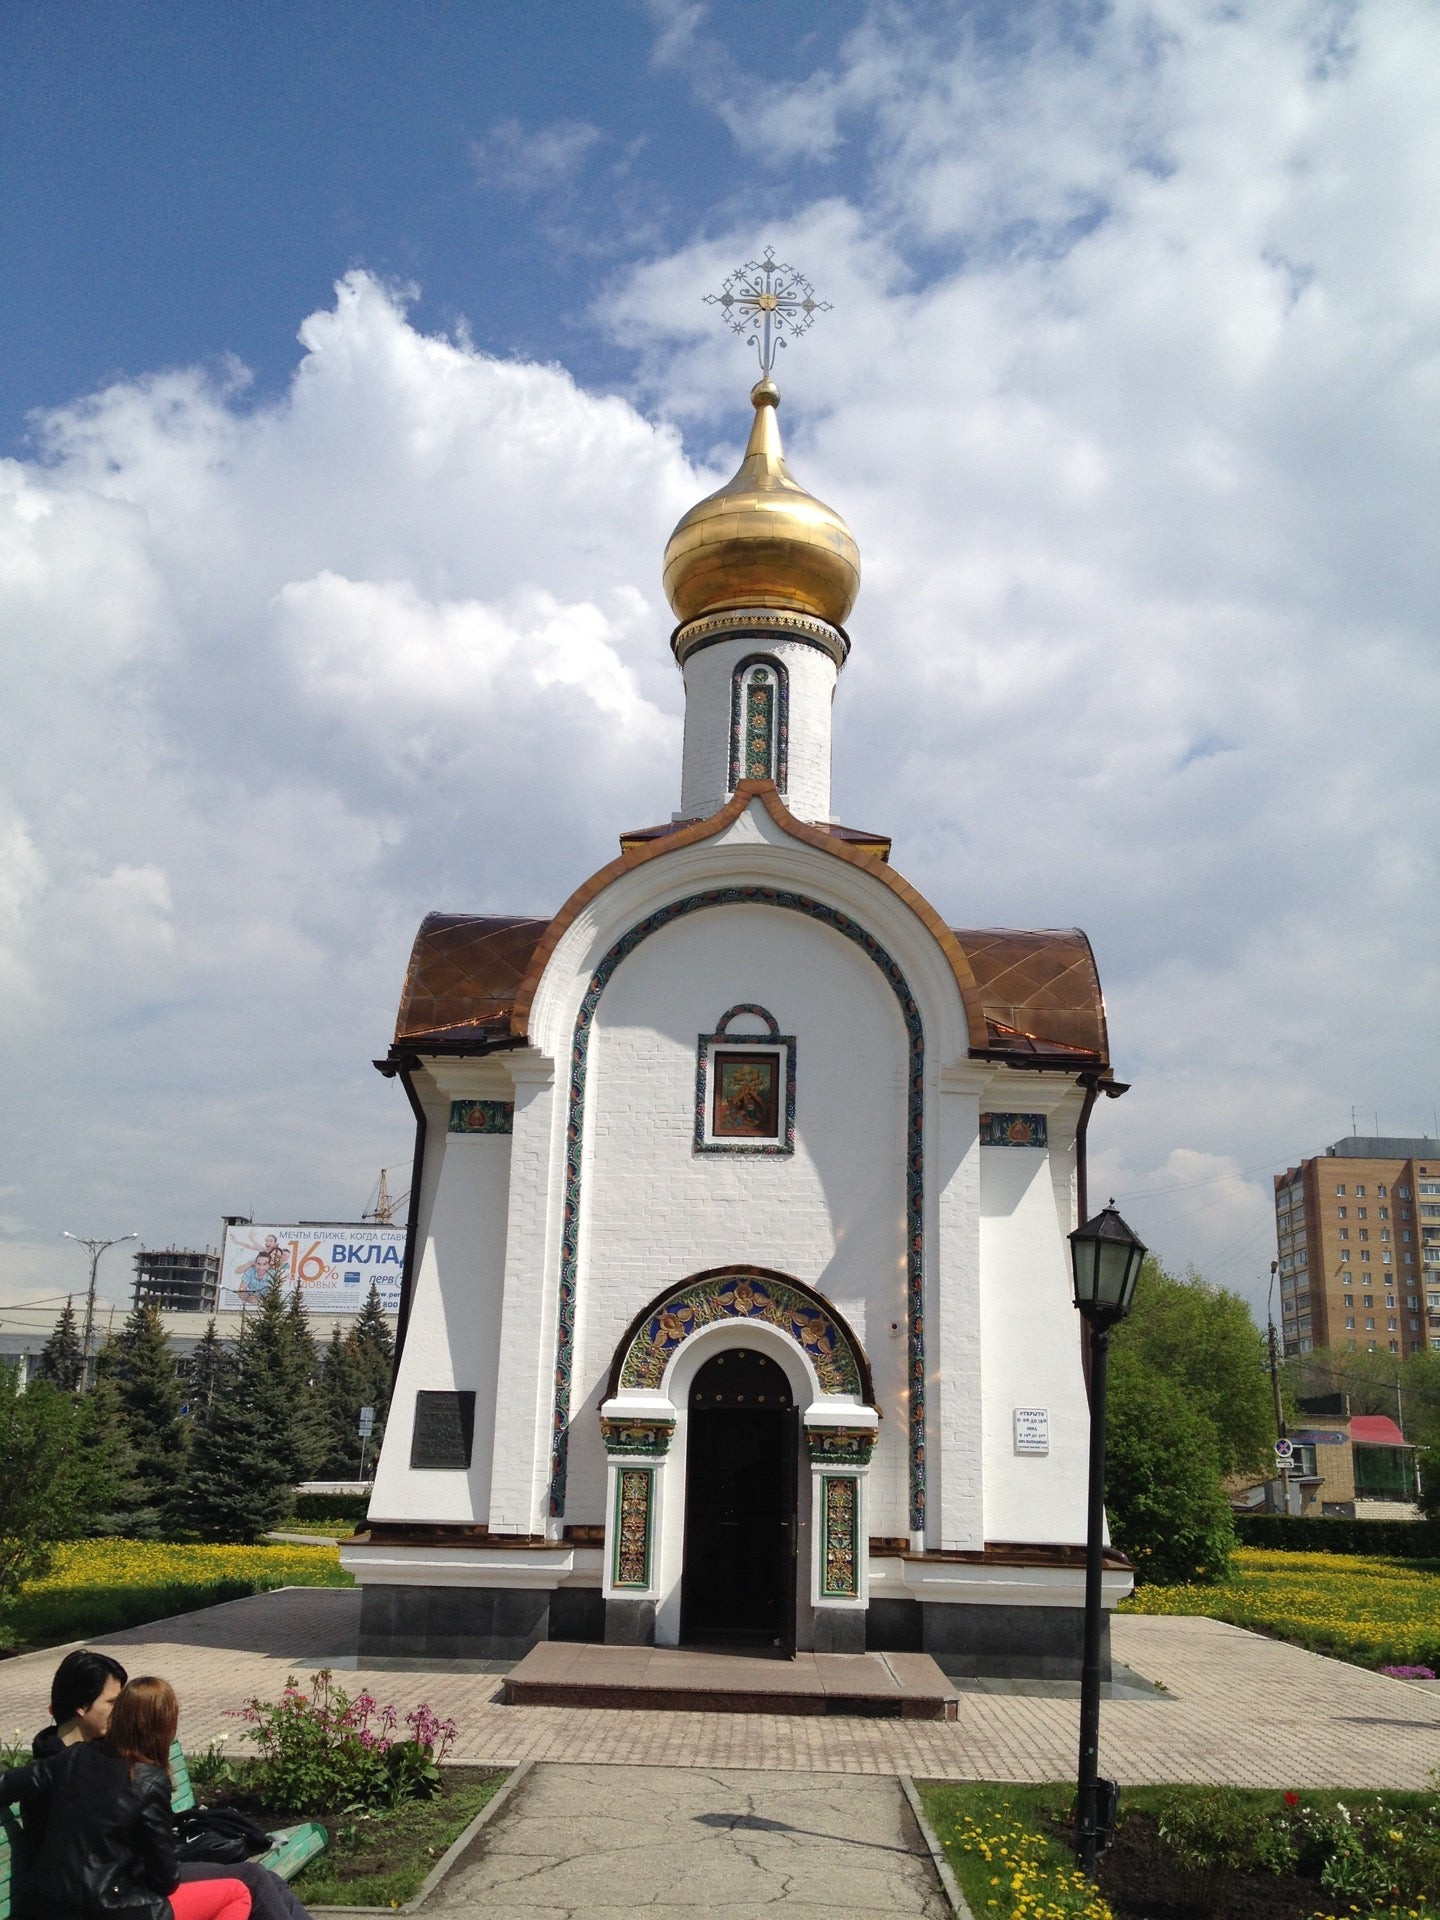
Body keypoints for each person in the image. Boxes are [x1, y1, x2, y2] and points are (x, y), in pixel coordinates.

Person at [17, 1658, 311, 1920]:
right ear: (82, 1707)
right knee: (250, 1883)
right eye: (113, 1703)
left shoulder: (86, 1758)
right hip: (116, 1892)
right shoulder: (67, 1764)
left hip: (122, 1880)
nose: (121, 1712)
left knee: (263, 1879)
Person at [1, 1675, 249, 1919]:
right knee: (238, 1893)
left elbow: (7, 1784)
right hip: (108, 1907)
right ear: (166, 1728)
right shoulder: (148, 1780)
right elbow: (165, 1879)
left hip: (44, 1906)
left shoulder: (70, 1757)